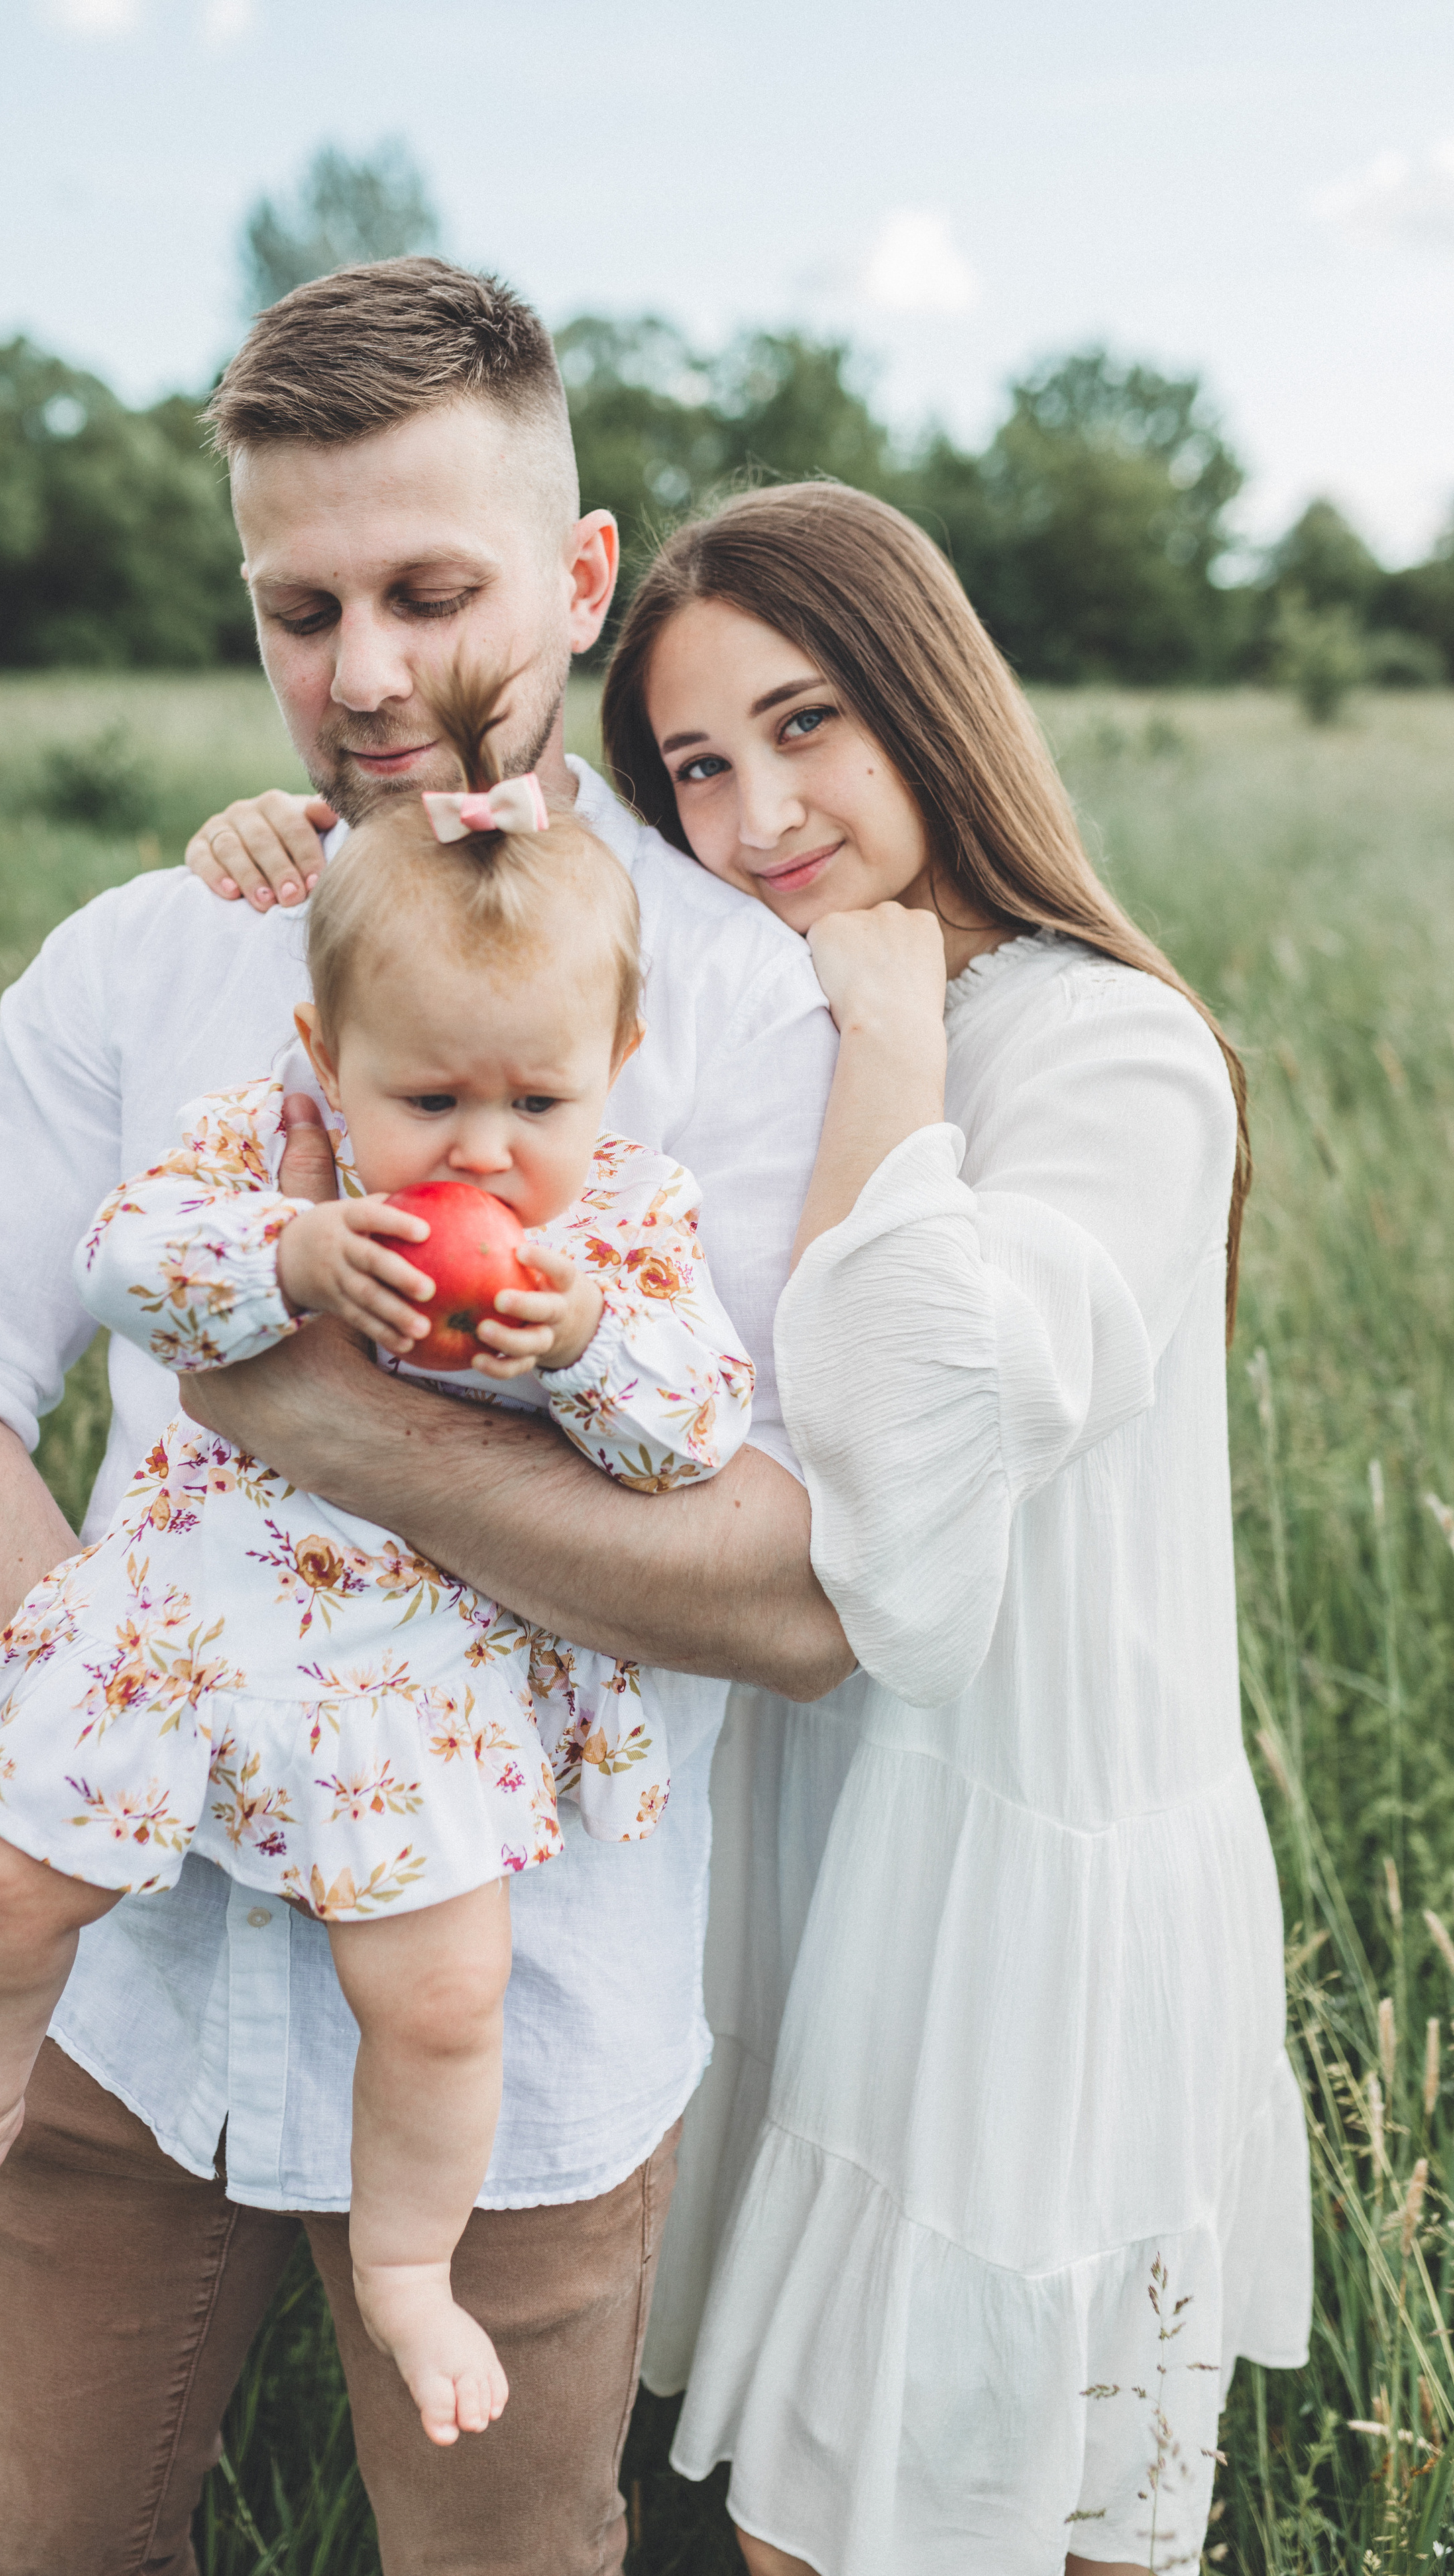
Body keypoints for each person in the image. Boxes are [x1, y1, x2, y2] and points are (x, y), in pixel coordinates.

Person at [0, 259, 850, 2574]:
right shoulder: (146, 955)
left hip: (528, 2029)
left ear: (580, 578)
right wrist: (147, 1721)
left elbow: (793, 1585)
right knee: (38, 2545)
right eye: (303, 609)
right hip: (115, 1995)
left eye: (431, 594)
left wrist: (329, 1429)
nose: (366, 674)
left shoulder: (731, 1001)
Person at [0, 658, 758, 2451]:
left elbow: (698, 1429)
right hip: (184, 1624)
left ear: (614, 1075)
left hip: (408, 1693)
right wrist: (285, 1254)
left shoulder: (625, 1229)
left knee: (443, 2000)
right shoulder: (265, 1158)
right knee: (6, 1886)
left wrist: (583, 1341)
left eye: (537, 1106)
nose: (484, 1154)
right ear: (328, 1058)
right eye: (430, 1100)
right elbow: (121, 1262)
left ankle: (409, 2267)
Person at [581, 482, 1308, 2575]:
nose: (757, 815)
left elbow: (901, 1471)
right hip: (818, 1834)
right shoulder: (753, 1026)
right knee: (800, 2508)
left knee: (966, 2514)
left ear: (926, 699)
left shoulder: (1110, 1052)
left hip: (1025, 1880)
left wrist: (895, 1040)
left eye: (805, 723)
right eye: (697, 766)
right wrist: (276, 854)